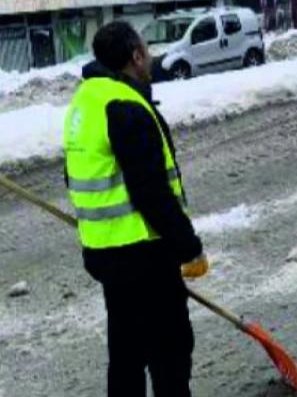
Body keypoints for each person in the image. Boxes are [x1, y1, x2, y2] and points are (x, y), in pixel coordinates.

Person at [64, 21, 209, 397]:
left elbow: (75, 177)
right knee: (170, 352)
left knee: (126, 354)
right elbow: (151, 192)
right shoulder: (125, 106)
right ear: (135, 56)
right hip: (143, 255)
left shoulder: (86, 100)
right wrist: (188, 246)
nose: (150, 58)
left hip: (106, 254)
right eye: (146, 50)